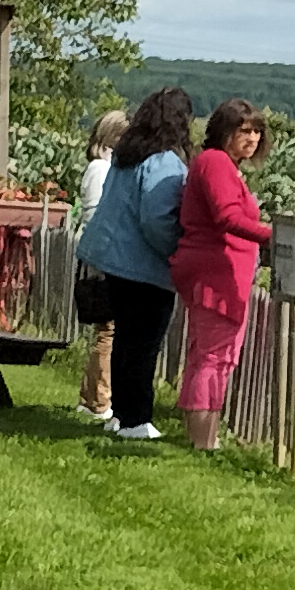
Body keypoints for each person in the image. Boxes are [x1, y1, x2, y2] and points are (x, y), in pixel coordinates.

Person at [76, 86, 194, 444]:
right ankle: (137, 419)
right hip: (145, 265)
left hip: (115, 261)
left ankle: (120, 413)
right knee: (143, 345)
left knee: (125, 340)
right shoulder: (164, 162)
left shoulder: (128, 156)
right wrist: (176, 251)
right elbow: (157, 218)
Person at [171, 99, 275, 452]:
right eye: (243, 130)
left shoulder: (222, 165)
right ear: (223, 131)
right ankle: (204, 441)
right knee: (214, 357)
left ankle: (203, 437)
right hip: (216, 273)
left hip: (221, 272)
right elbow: (227, 217)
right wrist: (272, 234)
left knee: (211, 355)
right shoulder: (215, 162)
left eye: (257, 131)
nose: (252, 138)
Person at [71, 106, 129, 420]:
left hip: (101, 256)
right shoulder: (101, 170)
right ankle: (100, 400)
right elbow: (96, 214)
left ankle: (90, 394)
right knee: (109, 330)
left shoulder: (101, 168)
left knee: (106, 330)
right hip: (104, 259)